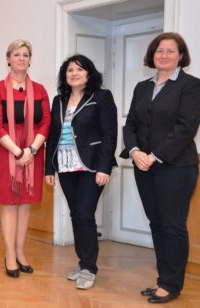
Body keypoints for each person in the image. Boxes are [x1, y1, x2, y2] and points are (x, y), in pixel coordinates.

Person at [121, 32, 200, 304]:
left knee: (173, 225)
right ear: (152, 55)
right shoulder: (142, 87)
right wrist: (135, 152)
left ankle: (172, 283)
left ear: (180, 56)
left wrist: (153, 155)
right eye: (159, 50)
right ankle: (163, 278)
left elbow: (185, 128)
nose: (163, 55)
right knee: (157, 224)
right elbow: (130, 124)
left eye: (170, 51)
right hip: (143, 166)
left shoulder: (191, 86)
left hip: (177, 167)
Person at [45, 54, 118, 290]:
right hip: (66, 165)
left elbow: (109, 135)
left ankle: (89, 267)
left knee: (85, 214)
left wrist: (104, 167)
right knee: (76, 214)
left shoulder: (102, 97)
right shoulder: (58, 100)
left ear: (89, 73)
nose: (73, 74)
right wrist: (50, 167)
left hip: (91, 166)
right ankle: (83, 261)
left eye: (79, 69)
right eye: (69, 70)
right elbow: (52, 137)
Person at [0, 39, 51, 278]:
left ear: (30, 60)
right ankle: (9, 254)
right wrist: (18, 151)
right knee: (9, 204)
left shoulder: (41, 90)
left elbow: (46, 122)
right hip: (7, 153)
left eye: (26, 54)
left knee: (25, 204)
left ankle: (21, 251)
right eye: (17, 54)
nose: (21, 58)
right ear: (8, 59)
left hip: (33, 153)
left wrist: (32, 150)